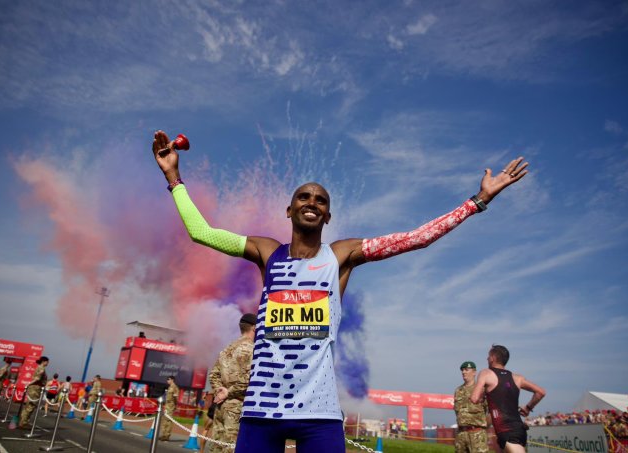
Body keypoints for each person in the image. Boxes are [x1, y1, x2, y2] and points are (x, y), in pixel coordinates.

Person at [152, 130, 529, 453]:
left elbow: (414, 240)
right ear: (289, 210)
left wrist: (476, 203)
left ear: (328, 216)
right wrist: (174, 177)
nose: (312, 202)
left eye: (321, 200)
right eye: (304, 197)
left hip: (318, 414)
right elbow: (201, 232)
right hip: (261, 412)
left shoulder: (341, 256)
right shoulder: (266, 252)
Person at [470, 345, 545, 453]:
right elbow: (540, 392)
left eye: (488, 356)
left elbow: (474, 398)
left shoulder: (486, 373)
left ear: (492, 358)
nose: (486, 358)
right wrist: (528, 407)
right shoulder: (517, 378)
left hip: (507, 431)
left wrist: (481, 396)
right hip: (519, 429)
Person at [208, 313, 257, 453]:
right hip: (236, 407)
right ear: (254, 328)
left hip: (220, 406)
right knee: (231, 448)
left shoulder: (226, 349)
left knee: (216, 447)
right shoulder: (252, 349)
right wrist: (228, 392)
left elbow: (213, 374)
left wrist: (219, 391)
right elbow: (248, 379)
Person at [454, 361, 489, 453]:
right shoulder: (458, 391)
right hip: (461, 434)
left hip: (477, 434)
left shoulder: (482, 389)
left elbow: (489, 412)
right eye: (462, 370)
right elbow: (457, 412)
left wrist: (482, 429)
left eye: (466, 369)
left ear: (474, 372)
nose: (463, 372)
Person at [19, 356, 49, 429]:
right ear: (44, 361)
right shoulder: (42, 368)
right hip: (36, 389)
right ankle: (24, 423)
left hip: (33, 388)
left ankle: (23, 421)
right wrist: (29, 383)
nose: (48, 363)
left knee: (28, 405)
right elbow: (37, 378)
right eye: (47, 361)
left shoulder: (38, 367)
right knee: (31, 406)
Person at [159, 376, 180, 441]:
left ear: (172, 380)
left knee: (168, 420)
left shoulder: (175, 387)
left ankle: (167, 435)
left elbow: (176, 398)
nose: (167, 380)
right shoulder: (170, 387)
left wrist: (175, 405)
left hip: (171, 405)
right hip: (167, 404)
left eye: (168, 379)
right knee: (164, 419)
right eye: (167, 379)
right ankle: (163, 434)